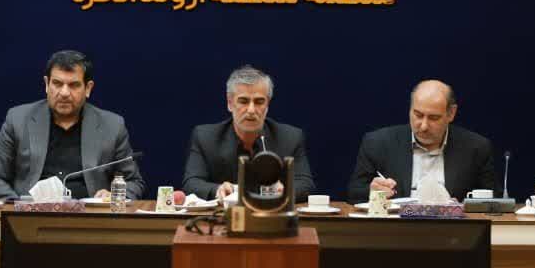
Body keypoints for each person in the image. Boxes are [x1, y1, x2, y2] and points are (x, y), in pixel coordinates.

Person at [0, 50, 144, 201]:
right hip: (31, 216)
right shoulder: (18, 119)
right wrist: (20, 206)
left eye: (74, 85)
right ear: (47, 84)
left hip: (91, 217)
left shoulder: (112, 126)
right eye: (57, 83)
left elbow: (134, 182)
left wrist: (114, 196)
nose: (64, 93)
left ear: (88, 88)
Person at [347, 80, 496, 203]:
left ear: (451, 113)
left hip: (453, 228)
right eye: (418, 115)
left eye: (433, 118)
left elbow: (494, 202)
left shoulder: (476, 148)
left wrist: (463, 208)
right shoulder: (377, 143)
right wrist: (372, 192)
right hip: (395, 227)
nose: (423, 126)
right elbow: (353, 194)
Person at [182, 65, 315, 201]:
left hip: (272, 212)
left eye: (259, 102)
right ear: (230, 103)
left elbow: (305, 184)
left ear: (267, 105)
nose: (251, 110)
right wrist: (218, 190)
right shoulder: (206, 137)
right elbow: (191, 183)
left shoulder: (290, 137)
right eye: (243, 101)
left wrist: (285, 190)